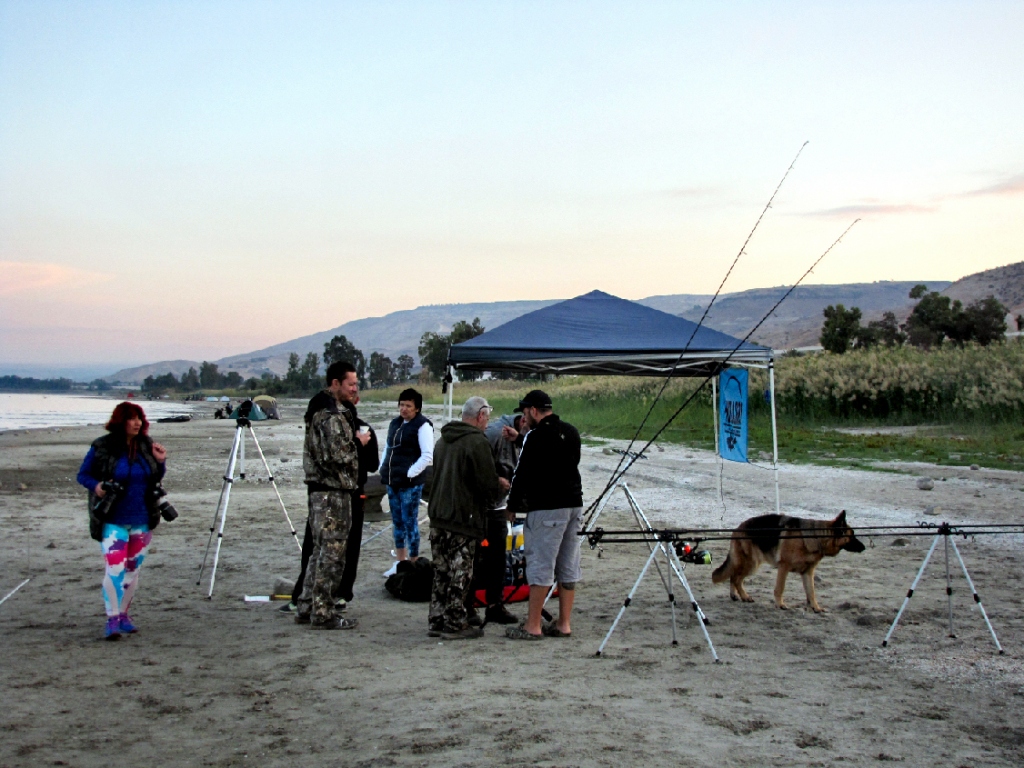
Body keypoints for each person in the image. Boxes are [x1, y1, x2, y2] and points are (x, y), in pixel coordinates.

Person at [77, 402, 168, 640]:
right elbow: (83, 475)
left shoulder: (146, 445)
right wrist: (96, 486)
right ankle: (112, 618)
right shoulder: (103, 446)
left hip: (142, 517)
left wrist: (161, 462)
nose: (137, 422)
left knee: (132, 570)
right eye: (132, 418)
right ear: (121, 421)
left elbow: (155, 477)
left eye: (140, 418)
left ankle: (124, 615)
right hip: (113, 518)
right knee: (115, 567)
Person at [283, 394, 378, 614]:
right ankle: (324, 598)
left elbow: (367, 464)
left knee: (320, 546)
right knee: (332, 548)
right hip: (337, 493)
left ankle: (311, 597)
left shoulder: (320, 426)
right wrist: (358, 445)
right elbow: (342, 458)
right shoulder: (340, 428)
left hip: (332, 493)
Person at [295, 361, 370, 630]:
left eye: (356, 384)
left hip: (321, 491)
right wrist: (358, 443)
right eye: (351, 384)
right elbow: (336, 454)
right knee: (333, 553)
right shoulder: (329, 414)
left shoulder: (321, 408)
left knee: (319, 550)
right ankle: (323, 611)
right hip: (332, 492)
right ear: (335, 383)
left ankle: (307, 604)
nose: (354, 389)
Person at [504, 390, 583, 641]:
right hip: (574, 505)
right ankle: (564, 623)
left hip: (546, 508)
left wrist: (512, 505)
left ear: (534, 411)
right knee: (567, 565)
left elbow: (522, 473)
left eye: (525, 413)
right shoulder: (571, 431)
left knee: (540, 564)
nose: (523, 419)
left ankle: (533, 625)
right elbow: (566, 461)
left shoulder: (535, 436)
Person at [427, 396, 506, 640]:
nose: (487, 423)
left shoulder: (442, 440)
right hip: (463, 517)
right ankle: (455, 621)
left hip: (439, 516)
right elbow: (485, 483)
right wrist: (500, 486)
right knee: (461, 570)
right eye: (487, 418)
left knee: (441, 570)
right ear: (481, 415)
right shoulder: (476, 442)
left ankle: (437, 618)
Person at [478, 413, 526, 625]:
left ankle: (495, 606)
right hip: (481, 507)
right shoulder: (496, 433)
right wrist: (494, 480)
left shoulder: (523, 435)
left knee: (498, 558)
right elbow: (478, 462)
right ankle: (469, 606)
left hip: (501, 506)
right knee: (478, 556)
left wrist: (512, 504)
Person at [379, 388, 433, 562]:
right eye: (402, 405)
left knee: (410, 522)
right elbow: (388, 447)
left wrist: (411, 473)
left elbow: (427, 455)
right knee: (397, 523)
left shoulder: (423, 425)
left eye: (408, 406)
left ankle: (413, 560)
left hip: (410, 483)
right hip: (392, 479)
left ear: (417, 408)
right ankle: (400, 561)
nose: (404, 409)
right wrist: (382, 467)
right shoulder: (395, 423)